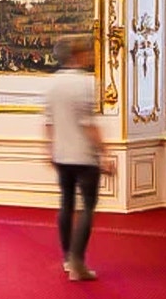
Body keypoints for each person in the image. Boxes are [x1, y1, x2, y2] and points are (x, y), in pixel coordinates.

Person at [43, 34, 116, 281]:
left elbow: (49, 122)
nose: (90, 57)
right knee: (87, 207)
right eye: (87, 53)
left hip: (62, 154)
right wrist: (104, 154)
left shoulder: (52, 83)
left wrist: (49, 149)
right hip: (84, 155)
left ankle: (66, 258)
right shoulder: (84, 83)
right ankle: (78, 263)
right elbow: (88, 124)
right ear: (78, 55)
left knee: (66, 204)